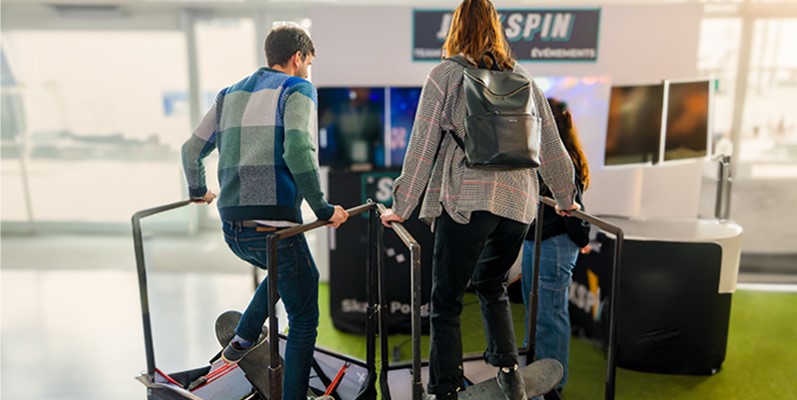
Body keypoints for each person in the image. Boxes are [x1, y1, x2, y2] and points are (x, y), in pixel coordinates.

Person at [380, 1, 579, 399]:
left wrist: (400, 207)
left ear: (455, 30)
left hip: (466, 202)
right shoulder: (523, 78)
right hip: (519, 206)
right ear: (497, 29)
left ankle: (446, 389)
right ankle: (508, 370)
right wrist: (565, 196)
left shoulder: (446, 75)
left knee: (447, 300)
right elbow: (553, 147)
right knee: (492, 283)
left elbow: (421, 147)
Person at [180, 24, 349, 400]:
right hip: (273, 228)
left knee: (283, 270)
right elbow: (297, 149)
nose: (307, 70)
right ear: (297, 58)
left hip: (233, 230)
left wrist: (197, 190)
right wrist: (322, 210)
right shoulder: (298, 89)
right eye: (308, 63)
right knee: (304, 315)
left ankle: (243, 336)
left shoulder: (228, 95)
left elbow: (190, 151)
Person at [521, 98, 591, 400]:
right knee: (538, 313)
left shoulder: (561, 159)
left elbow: (572, 209)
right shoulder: (537, 155)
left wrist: (582, 239)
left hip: (555, 245)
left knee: (549, 314)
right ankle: (538, 376)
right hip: (536, 241)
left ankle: (551, 387)